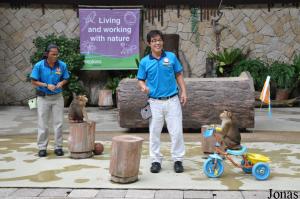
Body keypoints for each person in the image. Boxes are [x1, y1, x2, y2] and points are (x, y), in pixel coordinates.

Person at [137, 30, 187, 173]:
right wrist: (143, 86)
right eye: (154, 41)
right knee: (154, 132)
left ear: (162, 42)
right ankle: (155, 161)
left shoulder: (171, 57)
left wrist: (184, 91)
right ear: (149, 44)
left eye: (159, 40)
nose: (157, 43)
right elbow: (140, 79)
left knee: (176, 132)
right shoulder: (145, 62)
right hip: (154, 102)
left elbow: (179, 74)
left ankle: (178, 160)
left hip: (172, 100)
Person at [30, 44, 69, 157]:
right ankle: (42, 148)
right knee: (43, 123)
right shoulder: (39, 65)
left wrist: (61, 83)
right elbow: (33, 81)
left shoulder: (62, 65)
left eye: (57, 54)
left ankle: (58, 147)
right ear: (47, 54)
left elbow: (66, 78)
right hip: (43, 98)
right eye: (53, 54)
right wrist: (46, 85)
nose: (55, 56)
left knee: (59, 123)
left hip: (57, 97)